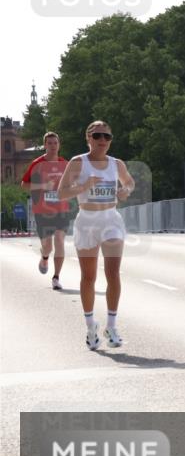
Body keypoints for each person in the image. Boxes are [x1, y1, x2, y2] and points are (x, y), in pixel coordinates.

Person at [57, 121, 135, 350]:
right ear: (88, 138)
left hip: (111, 219)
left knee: (113, 273)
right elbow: (61, 193)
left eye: (107, 137)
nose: (102, 140)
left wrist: (125, 191)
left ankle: (111, 326)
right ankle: (91, 326)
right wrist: (83, 187)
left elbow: (129, 182)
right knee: (89, 276)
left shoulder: (116, 164)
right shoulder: (78, 163)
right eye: (97, 136)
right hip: (87, 221)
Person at [20, 132, 70, 290]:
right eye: (49, 143)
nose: (53, 146)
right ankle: (44, 257)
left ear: (59, 145)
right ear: (45, 145)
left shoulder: (66, 164)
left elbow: (73, 183)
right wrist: (43, 186)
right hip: (42, 210)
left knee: (60, 241)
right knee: (48, 246)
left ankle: (56, 277)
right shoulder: (37, 164)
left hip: (62, 209)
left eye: (55, 143)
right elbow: (24, 185)